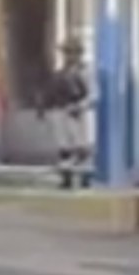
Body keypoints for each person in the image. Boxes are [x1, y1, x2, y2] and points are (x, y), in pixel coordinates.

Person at [42, 42, 92, 190]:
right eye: (66, 53)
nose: (69, 56)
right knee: (64, 148)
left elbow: (91, 94)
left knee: (81, 148)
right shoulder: (61, 73)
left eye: (72, 53)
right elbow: (52, 92)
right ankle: (66, 178)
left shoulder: (85, 72)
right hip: (61, 111)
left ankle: (85, 178)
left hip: (78, 113)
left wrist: (80, 106)